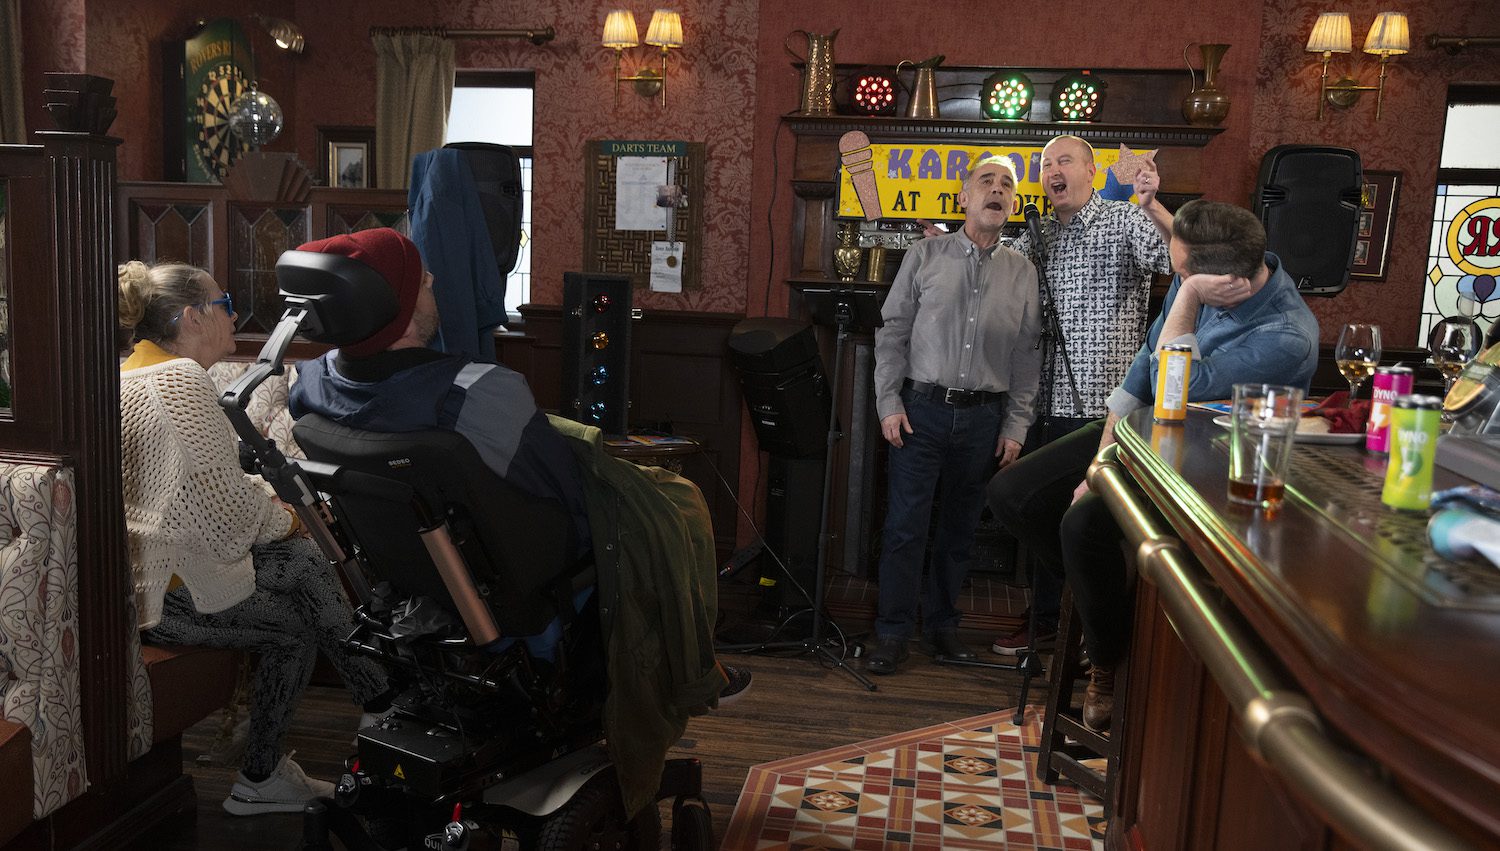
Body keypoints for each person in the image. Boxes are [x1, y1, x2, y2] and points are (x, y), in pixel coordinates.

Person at [284, 228, 749, 814]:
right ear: (392, 304)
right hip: (520, 596)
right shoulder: (478, 392)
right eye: (420, 279)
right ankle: (691, 670)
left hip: (409, 589)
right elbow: (570, 502)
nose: (434, 283)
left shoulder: (312, 383)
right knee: (671, 514)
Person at [988, 200, 1319, 731]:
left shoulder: (1285, 335)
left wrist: (1186, 297)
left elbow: (1175, 388)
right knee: (1012, 495)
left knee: (1082, 526)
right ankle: (1108, 615)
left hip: (1208, 469)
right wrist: (1099, 458)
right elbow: (1145, 368)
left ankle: (1107, 663)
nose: (1176, 276)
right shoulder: (1216, 272)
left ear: (1222, 278)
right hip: (1144, 437)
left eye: (1183, 273)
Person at [118, 260, 396, 816]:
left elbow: (197, 487)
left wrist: (269, 512)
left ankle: (290, 761)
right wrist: (289, 517)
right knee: (302, 565)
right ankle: (379, 706)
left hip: (147, 574)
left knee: (300, 576)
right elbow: (226, 516)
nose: (235, 316)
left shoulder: (129, 375)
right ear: (192, 317)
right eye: (225, 305)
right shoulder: (179, 381)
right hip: (169, 591)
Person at [989, 134, 1175, 658]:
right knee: (1038, 514)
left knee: (1084, 526)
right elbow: (993, 274)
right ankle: (1052, 617)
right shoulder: (1034, 234)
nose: (1053, 170)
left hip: (1105, 415)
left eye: (1064, 160)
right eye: (1046, 163)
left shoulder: (1123, 220)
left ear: (1092, 172)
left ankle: (1095, 627)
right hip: (1042, 406)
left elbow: (1176, 260)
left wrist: (1152, 203)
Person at [867, 155, 1042, 676]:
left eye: (1006, 185)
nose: (996, 189)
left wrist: (1016, 425)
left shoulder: (1024, 272)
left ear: (1013, 205)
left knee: (960, 531)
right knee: (905, 527)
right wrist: (888, 402)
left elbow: (1028, 355)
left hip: (983, 419)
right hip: (920, 412)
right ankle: (892, 632)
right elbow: (892, 333)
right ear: (963, 197)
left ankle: (943, 628)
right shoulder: (924, 255)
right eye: (985, 181)